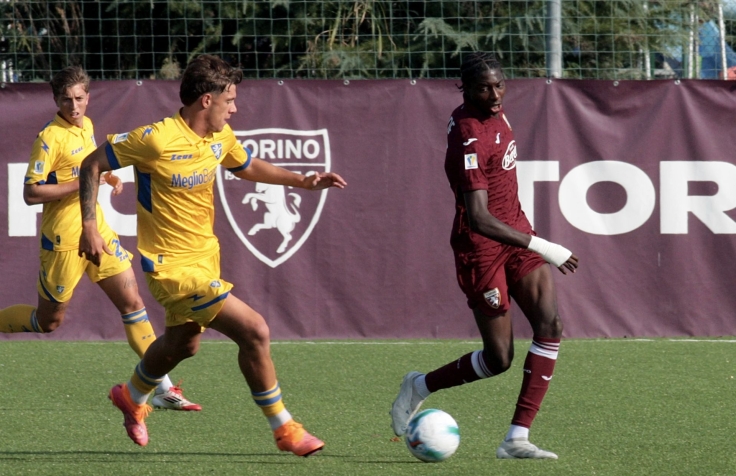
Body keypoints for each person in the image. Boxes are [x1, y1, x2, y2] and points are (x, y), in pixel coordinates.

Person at [78, 54, 347, 455]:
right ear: (207, 100)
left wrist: (302, 181)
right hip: (170, 268)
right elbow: (91, 164)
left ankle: (131, 396)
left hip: (206, 259)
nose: (234, 108)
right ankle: (285, 428)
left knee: (183, 344)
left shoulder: (221, 137)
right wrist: (89, 225)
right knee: (254, 330)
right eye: (230, 100)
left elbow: (246, 165)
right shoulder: (156, 139)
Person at [390, 52, 578, 460]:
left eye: (499, 85)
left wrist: (527, 240)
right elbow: (478, 217)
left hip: (516, 233)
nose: (495, 95)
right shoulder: (469, 136)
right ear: (465, 89)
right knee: (499, 359)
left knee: (551, 324)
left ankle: (516, 438)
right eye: (483, 89)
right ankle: (420, 385)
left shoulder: (497, 114)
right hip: (481, 247)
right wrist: (544, 246)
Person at [0, 66, 200, 412]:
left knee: (132, 303)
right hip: (63, 241)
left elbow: (89, 169)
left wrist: (106, 176)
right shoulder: (50, 137)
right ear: (56, 100)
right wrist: (83, 182)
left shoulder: (87, 126)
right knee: (48, 322)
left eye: (79, 98)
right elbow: (31, 193)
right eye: (66, 99)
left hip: (98, 231)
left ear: (88, 97)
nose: (74, 106)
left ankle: (164, 389)